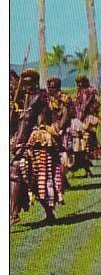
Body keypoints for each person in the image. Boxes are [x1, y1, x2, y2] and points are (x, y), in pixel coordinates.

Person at [10, 69, 64, 225]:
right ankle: (18, 212)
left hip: (38, 143)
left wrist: (24, 143)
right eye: (22, 84)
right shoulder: (23, 100)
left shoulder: (40, 98)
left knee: (25, 174)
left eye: (26, 84)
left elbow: (34, 122)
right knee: (29, 180)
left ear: (33, 83)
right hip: (23, 144)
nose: (24, 87)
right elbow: (16, 124)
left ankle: (14, 213)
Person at [46, 76, 75, 186]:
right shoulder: (47, 99)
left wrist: (59, 128)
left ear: (58, 87)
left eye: (52, 87)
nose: (50, 89)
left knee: (65, 155)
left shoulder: (65, 98)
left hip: (64, 130)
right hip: (51, 129)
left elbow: (67, 115)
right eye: (49, 87)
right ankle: (60, 180)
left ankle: (63, 178)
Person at [71, 76, 101, 176]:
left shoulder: (89, 93)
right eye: (77, 83)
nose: (79, 85)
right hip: (80, 123)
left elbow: (84, 108)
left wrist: (81, 121)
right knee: (81, 147)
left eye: (81, 83)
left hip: (86, 123)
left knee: (85, 147)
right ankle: (84, 169)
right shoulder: (79, 94)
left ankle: (86, 169)